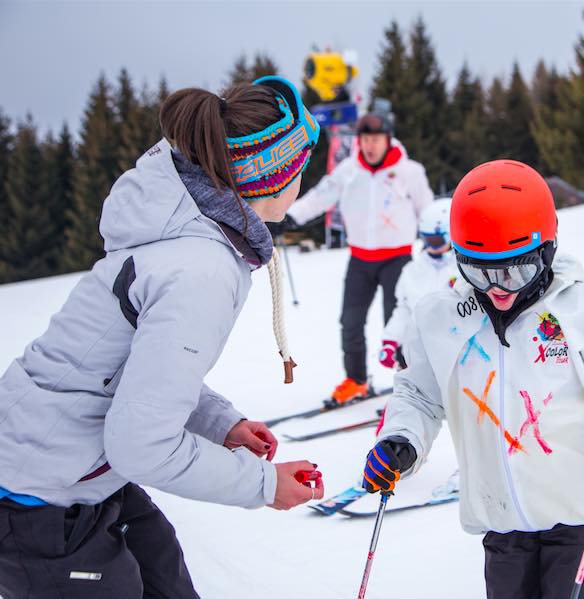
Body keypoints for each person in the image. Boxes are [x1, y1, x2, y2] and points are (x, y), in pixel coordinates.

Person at [0, 75, 325, 598]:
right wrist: (265, 485)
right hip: (39, 494)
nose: (303, 180)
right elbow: (141, 446)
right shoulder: (201, 269)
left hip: (85, 477)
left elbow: (143, 372)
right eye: (300, 165)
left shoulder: (191, 237)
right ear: (270, 174)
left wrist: (221, 423)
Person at [360, 160, 584, 599]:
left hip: (582, 515)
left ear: (547, 251)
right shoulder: (440, 319)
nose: (498, 288)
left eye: (515, 270)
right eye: (479, 271)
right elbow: (419, 397)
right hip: (502, 518)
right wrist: (402, 440)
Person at [284, 110, 434, 404]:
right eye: (365, 139)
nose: (370, 145)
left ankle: (407, 382)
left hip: (398, 259)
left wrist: (434, 243)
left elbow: (426, 209)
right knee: (350, 322)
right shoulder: (348, 170)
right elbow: (320, 196)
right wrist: (291, 217)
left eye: (376, 139)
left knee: (399, 323)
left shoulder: (409, 172)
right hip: (360, 260)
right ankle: (356, 381)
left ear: (388, 140)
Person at [378, 198, 458, 371]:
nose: (430, 246)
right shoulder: (412, 271)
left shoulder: (463, 270)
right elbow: (405, 310)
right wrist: (390, 341)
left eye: (436, 240)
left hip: (457, 353)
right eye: (426, 239)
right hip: (421, 353)